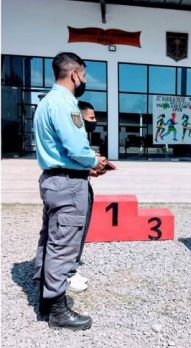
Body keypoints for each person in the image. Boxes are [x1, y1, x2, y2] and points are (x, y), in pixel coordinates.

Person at [33, 52, 107, 330]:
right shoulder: (65, 103)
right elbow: (76, 149)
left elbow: (61, 149)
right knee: (64, 245)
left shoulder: (45, 103)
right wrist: (95, 161)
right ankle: (57, 310)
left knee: (50, 240)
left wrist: (86, 164)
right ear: (75, 74)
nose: (84, 80)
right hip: (67, 185)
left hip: (53, 180)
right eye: (84, 75)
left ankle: (44, 300)